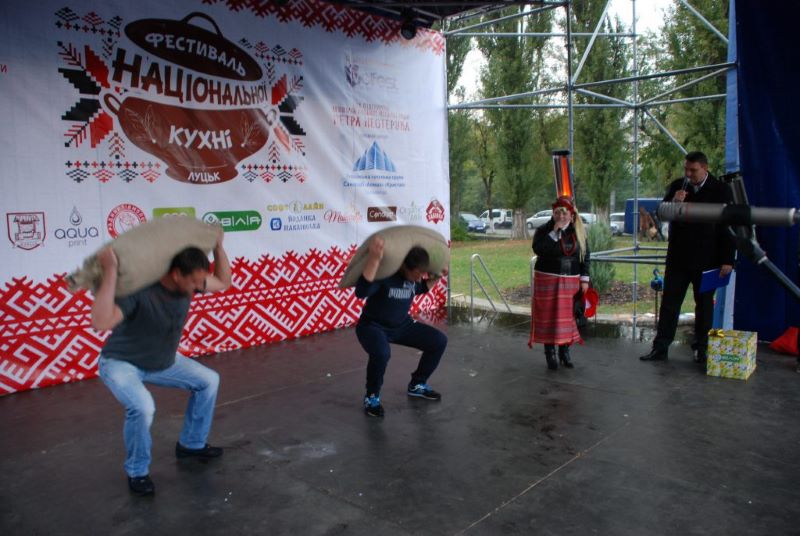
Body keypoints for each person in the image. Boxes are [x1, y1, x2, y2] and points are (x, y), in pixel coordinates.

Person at [91, 235, 231, 496]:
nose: (199, 288)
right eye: (194, 282)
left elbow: (223, 282)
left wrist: (218, 247)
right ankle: (137, 471)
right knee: (143, 407)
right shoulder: (139, 290)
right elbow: (101, 322)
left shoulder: (188, 282)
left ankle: (191, 444)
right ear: (176, 274)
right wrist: (110, 270)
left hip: (161, 360)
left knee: (209, 380)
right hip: (122, 362)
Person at [639, 151, 735, 366]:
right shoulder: (678, 186)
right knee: (670, 303)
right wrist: (674, 202)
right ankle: (660, 347)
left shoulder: (720, 190)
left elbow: (728, 226)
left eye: (693, 170)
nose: (688, 174)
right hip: (679, 258)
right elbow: (661, 214)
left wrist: (727, 259)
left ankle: (702, 349)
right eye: (686, 169)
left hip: (708, 258)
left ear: (705, 168)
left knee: (705, 305)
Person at [355, 236, 448, 417]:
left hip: (401, 326)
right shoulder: (386, 275)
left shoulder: (413, 279)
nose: (420, 278)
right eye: (418, 274)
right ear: (405, 266)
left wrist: (439, 276)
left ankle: (417, 384)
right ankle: (372, 397)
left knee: (438, 341)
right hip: (372, 326)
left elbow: (422, 288)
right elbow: (361, 292)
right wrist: (374, 258)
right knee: (382, 353)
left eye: (422, 274)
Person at [530, 196, 591, 370]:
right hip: (547, 280)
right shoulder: (543, 230)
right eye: (557, 213)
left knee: (567, 319)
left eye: (564, 213)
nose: (561, 217)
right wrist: (554, 233)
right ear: (553, 214)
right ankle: (550, 352)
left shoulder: (579, 232)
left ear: (571, 214)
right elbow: (539, 249)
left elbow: (585, 256)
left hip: (571, 281)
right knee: (549, 317)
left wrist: (584, 279)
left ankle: (565, 351)